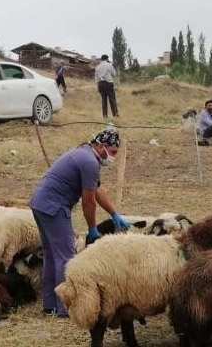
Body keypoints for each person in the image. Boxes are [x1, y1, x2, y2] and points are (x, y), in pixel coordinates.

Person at [29, 129, 130, 317]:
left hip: (41, 204)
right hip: (54, 207)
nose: (113, 157)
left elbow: (97, 190)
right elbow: (88, 200)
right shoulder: (89, 162)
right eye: (113, 151)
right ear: (101, 145)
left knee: (51, 255)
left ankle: (50, 304)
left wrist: (114, 213)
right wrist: (92, 228)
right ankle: (64, 307)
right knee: (66, 257)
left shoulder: (85, 155)